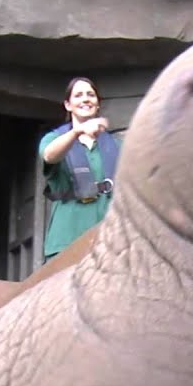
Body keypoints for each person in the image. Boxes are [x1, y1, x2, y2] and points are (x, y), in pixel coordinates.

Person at [39, 76, 122, 261]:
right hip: (67, 241)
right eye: (78, 95)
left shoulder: (116, 145)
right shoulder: (53, 139)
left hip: (108, 244)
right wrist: (77, 131)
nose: (85, 99)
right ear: (68, 105)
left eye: (90, 95)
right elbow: (49, 155)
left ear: (98, 104)